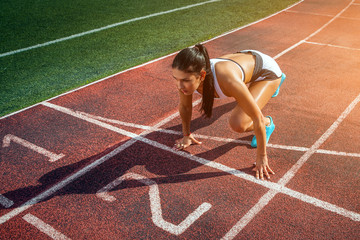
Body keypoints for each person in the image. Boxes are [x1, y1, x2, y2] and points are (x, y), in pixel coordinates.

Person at [171, 43, 286, 180]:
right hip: (245, 59)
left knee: (238, 123)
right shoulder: (187, 79)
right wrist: (186, 134)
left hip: (266, 72)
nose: (179, 85)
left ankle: (270, 116)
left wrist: (262, 157)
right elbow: (185, 107)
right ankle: (266, 90)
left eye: (185, 80)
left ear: (201, 75)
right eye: (176, 79)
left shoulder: (227, 80)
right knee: (243, 99)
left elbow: (257, 118)